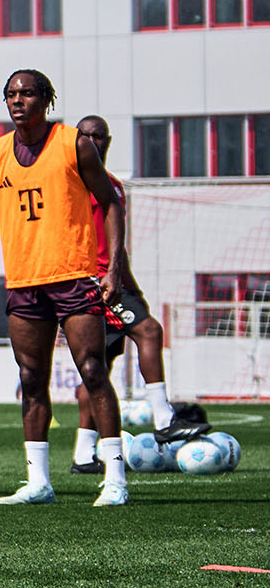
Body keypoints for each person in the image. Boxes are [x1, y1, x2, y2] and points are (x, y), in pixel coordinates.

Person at [0, 70, 128, 506]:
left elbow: (111, 204)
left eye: (27, 93)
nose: (18, 100)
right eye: (11, 95)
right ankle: (38, 481)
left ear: (46, 99)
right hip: (23, 282)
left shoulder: (74, 143)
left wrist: (112, 271)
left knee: (93, 371)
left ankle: (115, 477)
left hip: (74, 276)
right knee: (30, 378)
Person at [67, 116, 207, 471]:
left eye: (99, 136)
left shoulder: (112, 184)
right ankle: (164, 419)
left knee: (96, 367)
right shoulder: (73, 185)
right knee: (150, 331)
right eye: (86, 135)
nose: (94, 141)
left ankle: (84, 456)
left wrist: (130, 284)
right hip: (93, 283)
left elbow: (117, 247)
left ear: (108, 142)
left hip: (112, 279)